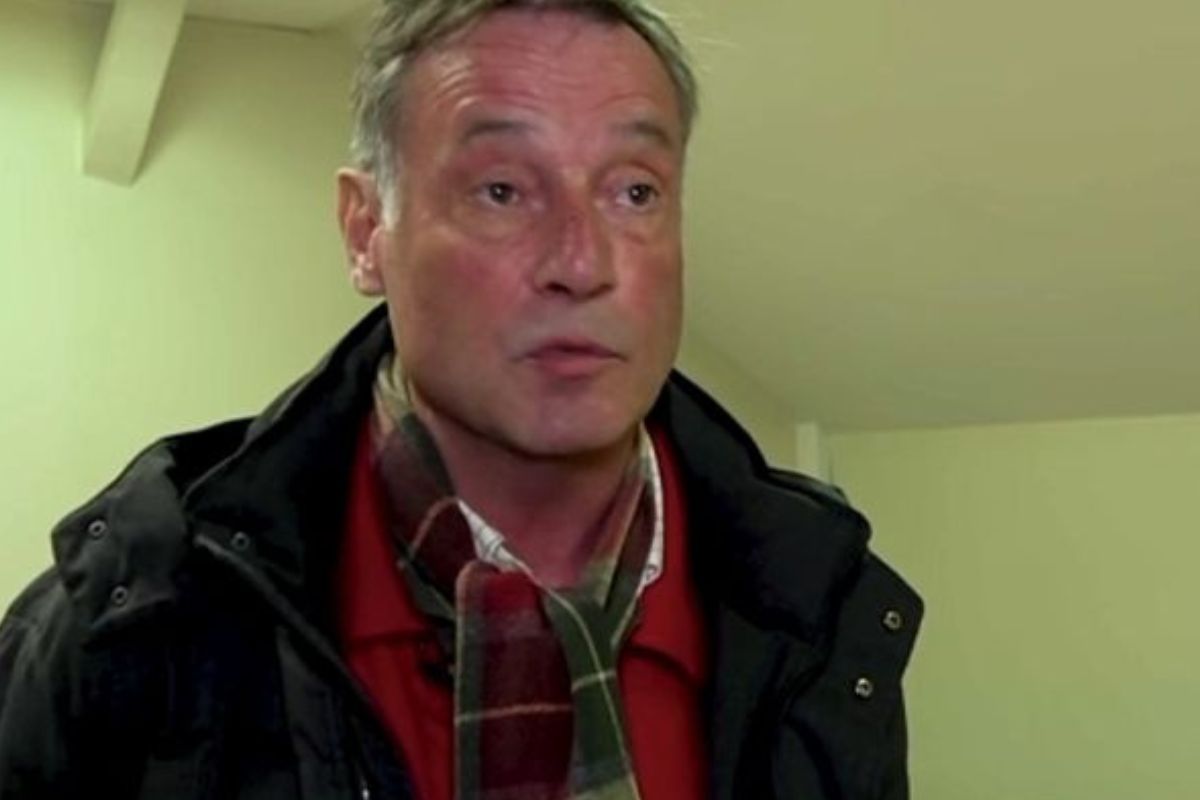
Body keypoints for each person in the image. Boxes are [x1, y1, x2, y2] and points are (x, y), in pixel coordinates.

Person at [0, 1, 922, 798]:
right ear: (366, 231)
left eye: (635, 192)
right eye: (503, 190)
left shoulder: (819, 615)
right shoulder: (134, 623)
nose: (583, 263)